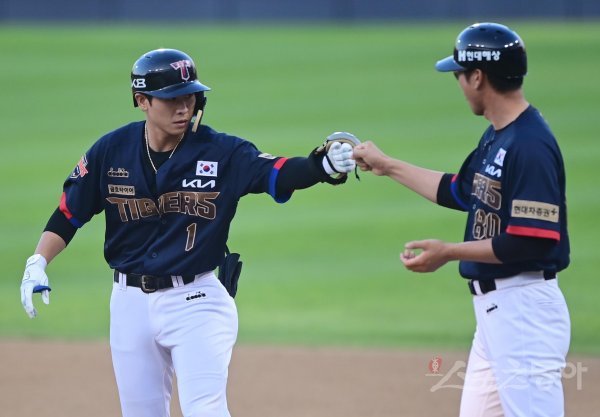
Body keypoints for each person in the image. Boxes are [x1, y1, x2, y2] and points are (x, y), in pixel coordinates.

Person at [20, 48, 358, 417]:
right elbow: (70, 213)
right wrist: (38, 261)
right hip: (128, 304)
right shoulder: (111, 151)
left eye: (189, 96)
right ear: (142, 101)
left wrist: (322, 165)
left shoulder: (223, 152)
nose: (184, 107)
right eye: (171, 99)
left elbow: (276, 171)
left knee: (205, 411)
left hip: (197, 301)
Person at [353, 23, 570, 417]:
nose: (457, 82)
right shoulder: (498, 135)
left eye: (459, 74)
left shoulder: (530, 145)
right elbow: (458, 190)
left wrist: (448, 252)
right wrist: (387, 166)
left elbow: (531, 241)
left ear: (477, 76)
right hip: (495, 316)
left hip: (523, 311)